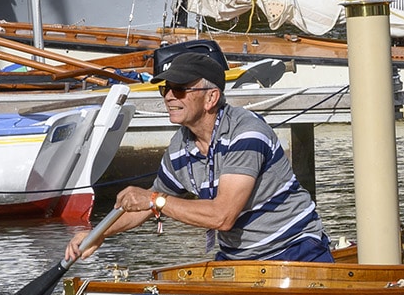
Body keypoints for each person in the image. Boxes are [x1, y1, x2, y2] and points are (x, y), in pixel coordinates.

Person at [66, 52, 334, 263]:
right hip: (238, 259)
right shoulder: (179, 147)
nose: (169, 96)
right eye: (166, 89)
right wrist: (97, 234)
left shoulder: (246, 133)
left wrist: (153, 200)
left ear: (211, 98)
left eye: (180, 89)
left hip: (296, 250)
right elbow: (147, 205)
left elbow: (222, 217)